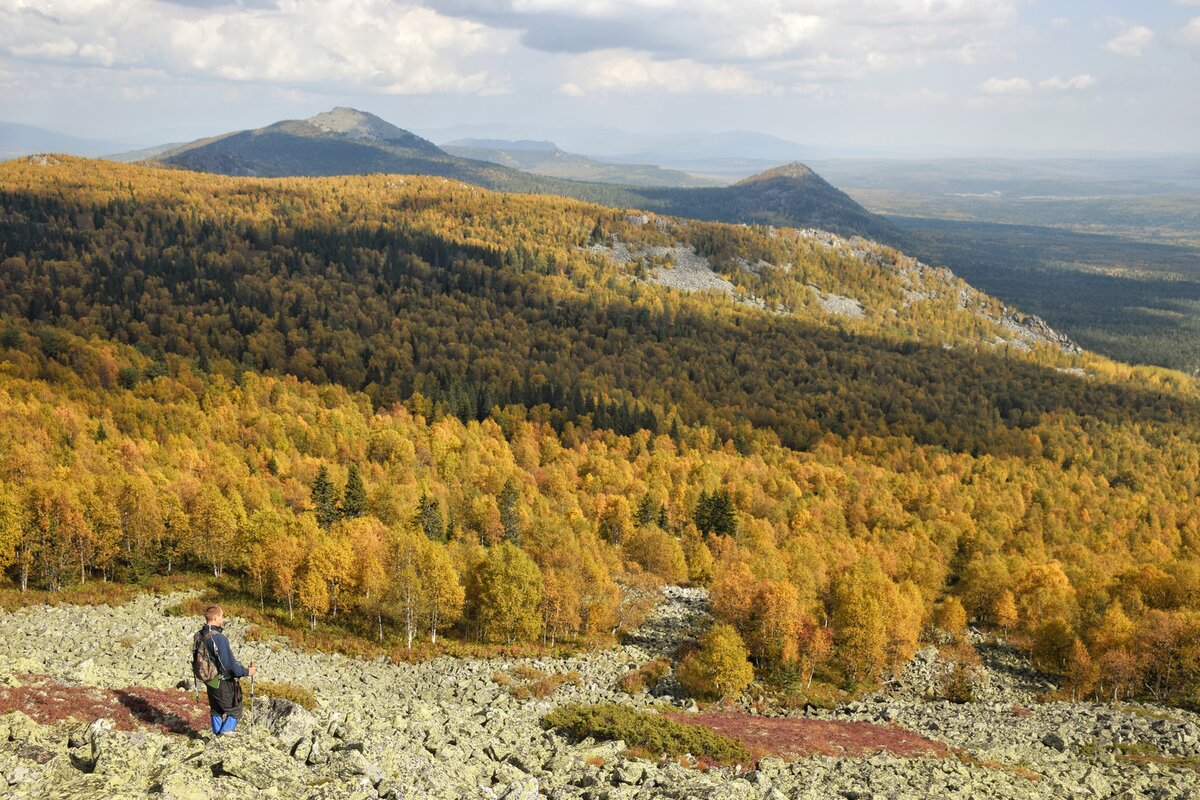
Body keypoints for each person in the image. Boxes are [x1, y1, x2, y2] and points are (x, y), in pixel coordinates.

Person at [195, 604, 256, 736]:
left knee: (216, 710)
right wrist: (246, 671)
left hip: (209, 680)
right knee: (235, 710)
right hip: (222, 681)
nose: (223, 619)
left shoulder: (199, 635)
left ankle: (217, 736)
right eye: (222, 616)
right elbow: (228, 665)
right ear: (216, 618)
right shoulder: (218, 638)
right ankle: (224, 739)